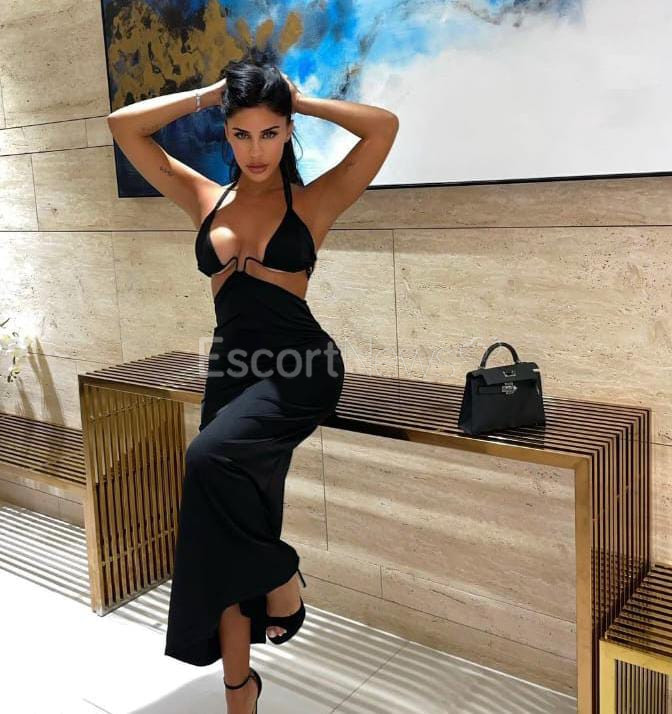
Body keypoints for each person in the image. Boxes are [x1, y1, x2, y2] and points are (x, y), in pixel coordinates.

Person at [106, 54, 398, 714]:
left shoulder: (312, 201)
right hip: (231, 371)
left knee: (206, 459)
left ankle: (281, 574)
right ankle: (240, 690)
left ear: (287, 132)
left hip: (302, 369)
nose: (256, 149)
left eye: (270, 132)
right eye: (241, 133)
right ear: (226, 133)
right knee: (220, 525)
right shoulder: (204, 198)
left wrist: (301, 100)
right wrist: (209, 93)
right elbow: (124, 126)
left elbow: (382, 127)